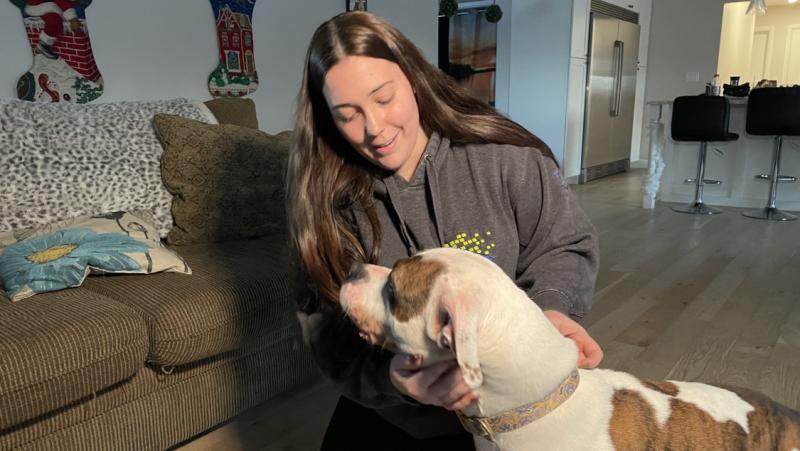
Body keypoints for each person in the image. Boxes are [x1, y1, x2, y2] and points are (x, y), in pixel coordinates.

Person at [289, 11, 602, 451]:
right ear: (327, 119)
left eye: (384, 97)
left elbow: (564, 244)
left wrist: (551, 313)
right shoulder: (327, 203)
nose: (375, 129)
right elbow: (330, 339)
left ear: (414, 79)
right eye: (348, 114)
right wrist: (393, 378)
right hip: (397, 414)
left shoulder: (508, 158)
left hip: (512, 410)